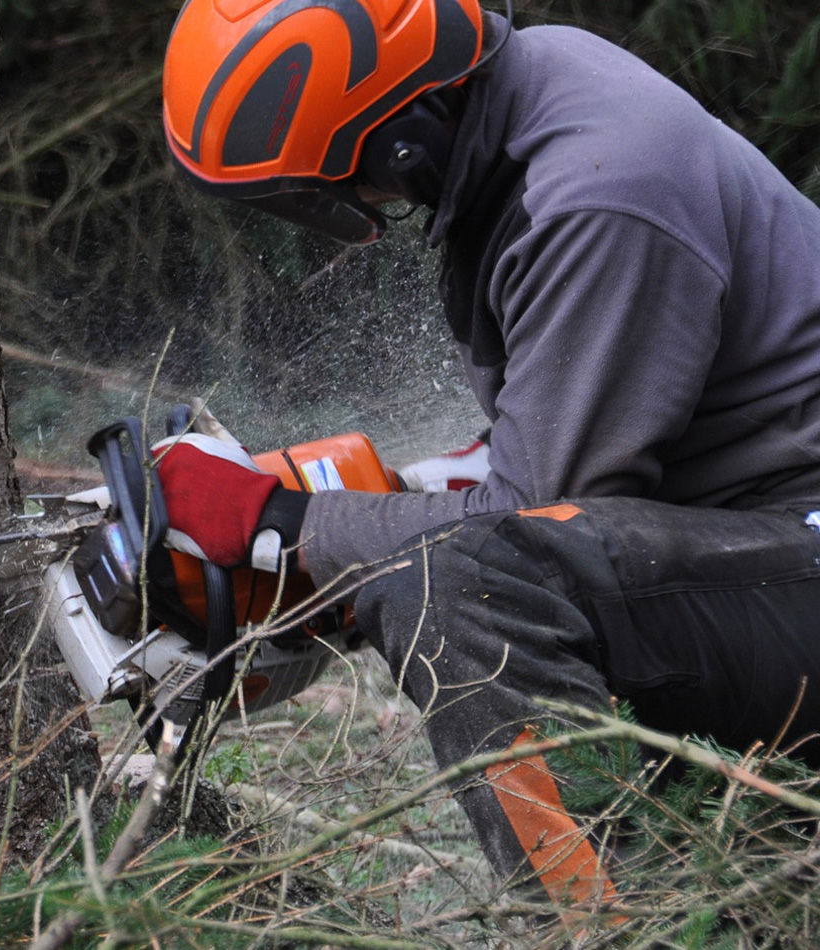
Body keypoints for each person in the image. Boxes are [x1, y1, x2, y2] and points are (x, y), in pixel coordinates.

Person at [149, 0, 820, 908]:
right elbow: (555, 442)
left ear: (399, 139)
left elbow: (532, 522)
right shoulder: (532, 102)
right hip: (766, 533)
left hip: (796, 541)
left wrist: (283, 526)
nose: (350, 202)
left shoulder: (597, 191)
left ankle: (617, 927)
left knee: (463, 587)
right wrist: (364, 498)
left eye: (332, 180)